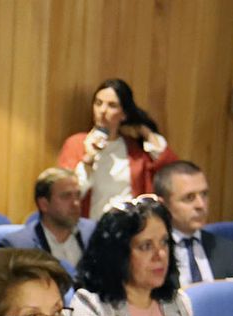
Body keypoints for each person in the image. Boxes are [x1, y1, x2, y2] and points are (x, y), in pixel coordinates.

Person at [62, 196, 197, 316]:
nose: (161, 254)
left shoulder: (177, 301)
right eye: (146, 246)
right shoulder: (90, 306)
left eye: (164, 242)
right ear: (118, 255)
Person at [56, 79, 179, 218]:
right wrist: (89, 158)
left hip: (130, 228)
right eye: (98, 103)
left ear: (124, 114)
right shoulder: (76, 144)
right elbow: (66, 193)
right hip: (91, 227)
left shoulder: (133, 149)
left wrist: (146, 132)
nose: (102, 110)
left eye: (112, 105)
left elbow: (173, 172)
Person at [155, 161, 233, 285]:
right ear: (163, 205)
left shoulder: (230, 251)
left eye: (204, 195)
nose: (201, 205)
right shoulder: (152, 255)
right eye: (189, 198)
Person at [0, 167, 97, 270]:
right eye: (66, 196)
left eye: (77, 195)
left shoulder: (94, 232)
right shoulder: (18, 247)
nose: (76, 203)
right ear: (44, 204)